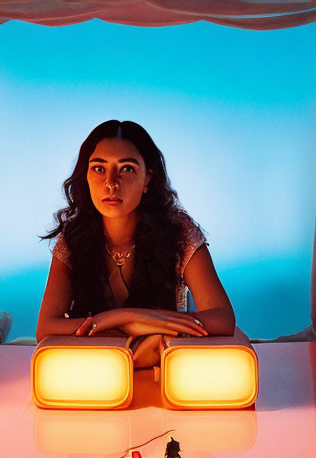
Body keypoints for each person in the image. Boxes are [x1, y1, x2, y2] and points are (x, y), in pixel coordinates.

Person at [36, 120, 235, 367]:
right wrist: (125, 318)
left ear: (147, 179)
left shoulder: (179, 233)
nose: (111, 183)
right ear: (85, 176)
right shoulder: (74, 237)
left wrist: (116, 323)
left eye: (127, 169)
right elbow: (45, 328)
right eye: (99, 169)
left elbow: (223, 319)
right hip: (94, 373)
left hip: (166, 371)